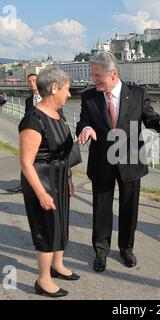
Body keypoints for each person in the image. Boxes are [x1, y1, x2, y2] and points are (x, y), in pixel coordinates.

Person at [76, 51, 160, 272]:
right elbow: (83, 123)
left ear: (113, 73)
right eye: (92, 74)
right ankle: (101, 250)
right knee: (101, 208)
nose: (93, 79)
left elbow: (150, 117)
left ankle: (126, 248)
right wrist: (86, 128)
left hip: (131, 160)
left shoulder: (137, 93)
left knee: (129, 208)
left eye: (97, 75)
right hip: (102, 161)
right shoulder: (89, 97)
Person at [19, 67, 79, 298]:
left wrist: (69, 178)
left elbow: (63, 153)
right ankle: (43, 280)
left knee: (60, 223)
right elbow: (26, 163)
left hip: (60, 179)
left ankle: (58, 265)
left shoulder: (58, 114)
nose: (69, 94)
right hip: (41, 182)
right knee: (46, 228)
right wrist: (42, 194)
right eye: (67, 89)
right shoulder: (33, 120)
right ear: (54, 88)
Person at [7, 74, 42, 194]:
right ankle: (23, 185)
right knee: (27, 160)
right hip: (32, 136)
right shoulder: (28, 101)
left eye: (34, 80)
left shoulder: (49, 97)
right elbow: (27, 118)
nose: (32, 83)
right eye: (29, 81)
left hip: (46, 136)